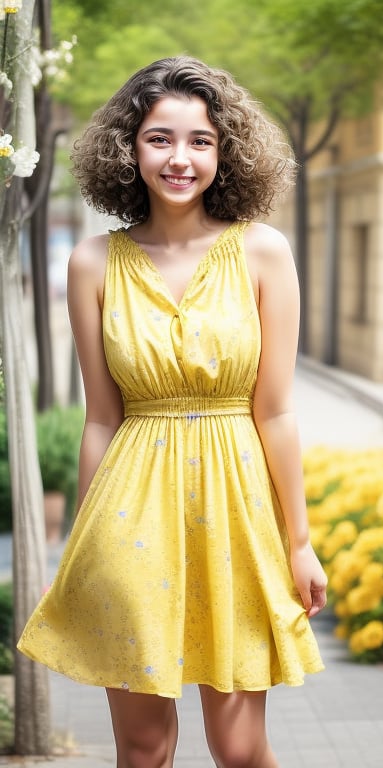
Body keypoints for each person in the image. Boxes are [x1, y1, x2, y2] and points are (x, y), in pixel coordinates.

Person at [18, 55, 327, 768]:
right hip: (129, 518)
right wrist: (79, 551)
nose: (179, 158)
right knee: (144, 749)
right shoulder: (92, 263)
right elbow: (102, 417)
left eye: (200, 140)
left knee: (241, 746)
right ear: (129, 147)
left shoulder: (262, 252)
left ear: (227, 150)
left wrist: (299, 540)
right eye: (159, 138)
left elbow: (276, 412)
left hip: (238, 513)